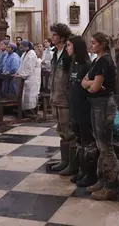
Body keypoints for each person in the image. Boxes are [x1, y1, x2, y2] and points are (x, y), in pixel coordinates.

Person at [81, 32, 118, 201]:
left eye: (94, 42)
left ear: (103, 44)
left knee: (106, 146)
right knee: (99, 143)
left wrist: (90, 85)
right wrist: (90, 84)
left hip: (104, 105)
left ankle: (110, 186)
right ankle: (102, 180)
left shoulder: (105, 60)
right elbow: (84, 81)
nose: (92, 45)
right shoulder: (98, 60)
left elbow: (94, 87)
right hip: (97, 103)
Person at [65, 36, 97, 187]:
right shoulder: (74, 63)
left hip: (84, 110)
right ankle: (82, 170)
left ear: (77, 47)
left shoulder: (87, 65)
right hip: (74, 108)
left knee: (87, 143)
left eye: (69, 45)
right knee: (79, 142)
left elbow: (89, 89)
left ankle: (91, 174)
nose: (67, 48)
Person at [49, 22, 74, 173]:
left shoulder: (68, 54)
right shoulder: (55, 53)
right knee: (60, 129)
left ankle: (72, 164)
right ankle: (64, 160)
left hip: (64, 97)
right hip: (55, 95)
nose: (52, 37)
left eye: (55, 35)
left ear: (63, 38)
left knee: (68, 130)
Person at [17, 40, 40, 116]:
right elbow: (21, 65)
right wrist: (18, 72)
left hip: (31, 78)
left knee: (30, 97)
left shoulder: (32, 54)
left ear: (27, 47)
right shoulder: (24, 54)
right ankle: (26, 111)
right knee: (25, 96)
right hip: (25, 78)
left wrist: (22, 75)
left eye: (22, 47)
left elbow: (29, 68)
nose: (21, 48)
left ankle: (32, 112)